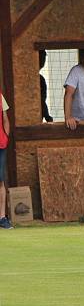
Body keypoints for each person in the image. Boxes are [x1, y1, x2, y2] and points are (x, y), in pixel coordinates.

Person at [0, 90, 11, 229]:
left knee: (0, 181)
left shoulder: (0, 96)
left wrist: (6, 137)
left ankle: (2, 217)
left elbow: (5, 118)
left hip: (0, 143)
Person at [39, 51, 53, 123]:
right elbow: (41, 101)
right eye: (42, 57)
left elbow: (42, 101)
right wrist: (47, 115)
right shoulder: (39, 79)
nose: (44, 60)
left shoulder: (40, 79)